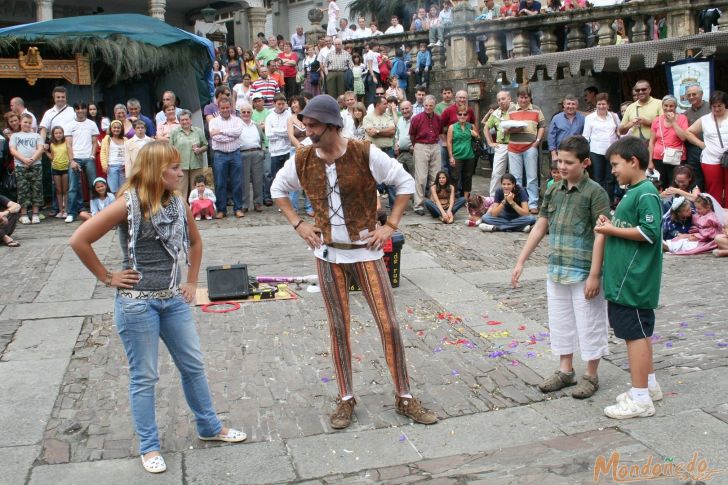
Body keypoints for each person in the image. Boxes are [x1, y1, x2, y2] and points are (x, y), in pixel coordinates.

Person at [69, 142, 247, 474]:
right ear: (156, 170)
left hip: (172, 300)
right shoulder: (128, 204)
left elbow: (195, 242)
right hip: (137, 304)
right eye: (175, 168)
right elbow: (79, 239)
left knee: (193, 365)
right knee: (145, 376)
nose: (182, 173)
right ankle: (149, 446)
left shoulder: (178, 202)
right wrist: (108, 276)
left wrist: (191, 280)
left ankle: (209, 427)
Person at [270, 94, 438, 429]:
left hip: (366, 252)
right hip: (328, 254)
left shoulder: (364, 152)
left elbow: (404, 182)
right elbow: (277, 189)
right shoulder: (302, 157)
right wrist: (299, 224)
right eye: (305, 123)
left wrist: (390, 226)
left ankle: (404, 396)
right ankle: (345, 398)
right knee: (338, 327)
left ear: (332, 125)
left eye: (313, 124)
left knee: (388, 324)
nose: (307, 130)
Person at [512, 135, 611, 399]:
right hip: (557, 268)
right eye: (560, 161)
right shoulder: (554, 189)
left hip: (583, 271)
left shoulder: (595, 193)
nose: (563, 167)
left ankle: (591, 375)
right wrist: (522, 260)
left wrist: (594, 275)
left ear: (586, 162)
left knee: (590, 322)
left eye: (569, 162)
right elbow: (541, 224)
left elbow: (602, 232)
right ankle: (565, 370)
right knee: (561, 321)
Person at [595, 136, 663, 420]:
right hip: (625, 278)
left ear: (633, 162)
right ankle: (648, 386)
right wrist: (611, 224)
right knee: (640, 334)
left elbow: (649, 233)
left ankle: (640, 398)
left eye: (615, 164)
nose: (612, 170)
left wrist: (610, 231)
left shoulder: (645, 192)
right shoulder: (634, 191)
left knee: (634, 335)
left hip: (632, 280)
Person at [686, 90, 728, 207]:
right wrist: (701, 144)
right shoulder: (705, 119)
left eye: (720, 106)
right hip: (711, 159)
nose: (717, 109)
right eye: (714, 106)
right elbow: (688, 132)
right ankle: (716, 215)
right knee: (714, 189)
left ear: (725, 104)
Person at [507, 87, 546, 213]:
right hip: (513, 147)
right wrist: (515, 129)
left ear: (530, 98)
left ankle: (533, 203)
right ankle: (518, 202)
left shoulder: (536, 109)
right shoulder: (511, 110)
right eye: (521, 97)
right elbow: (505, 129)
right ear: (517, 98)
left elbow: (542, 126)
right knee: (516, 178)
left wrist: (537, 141)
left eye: (526, 97)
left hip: (530, 147)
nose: (523, 100)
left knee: (532, 177)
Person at [209, 97, 244, 219]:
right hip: (220, 154)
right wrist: (230, 134)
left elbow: (238, 132)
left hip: (235, 153)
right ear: (218, 108)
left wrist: (221, 131)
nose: (225, 110)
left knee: (237, 182)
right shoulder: (213, 122)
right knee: (220, 183)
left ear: (231, 107)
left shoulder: (237, 120)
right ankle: (221, 210)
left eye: (227, 107)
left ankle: (238, 208)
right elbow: (215, 137)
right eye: (222, 108)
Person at [64, 103, 100, 223]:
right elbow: (68, 144)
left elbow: (94, 141)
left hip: (88, 158)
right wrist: (72, 160)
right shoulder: (69, 125)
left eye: (83, 108)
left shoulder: (92, 124)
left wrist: (92, 155)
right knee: (73, 187)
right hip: (75, 158)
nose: (80, 111)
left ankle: (96, 210)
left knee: (93, 185)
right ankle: (72, 212)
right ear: (75, 110)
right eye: (78, 108)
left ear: (86, 110)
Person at [583, 93, 620, 205]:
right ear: (596, 105)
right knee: (598, 178)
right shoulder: (590, 118)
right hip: (596, 151)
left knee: (610, 178)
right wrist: (587, 153)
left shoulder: (614, 116)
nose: (601, 106)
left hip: (611, 151)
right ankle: (598, 201)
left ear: (608, 105)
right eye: (599, 104)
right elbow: (586, 136)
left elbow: (620, 131)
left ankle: (609, 201)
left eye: (603, 104)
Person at [410, 95, 443, 215]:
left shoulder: (438, 118)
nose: (428, 108)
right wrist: (416, 146)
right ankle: (418, 204)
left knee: (435, 176)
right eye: (426, 105)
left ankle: (433, 202)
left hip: (434, 145)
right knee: (421, 177)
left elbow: (439, 132)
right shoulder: (416, 118)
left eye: (431, 106)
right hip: (421, 145)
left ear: (435, 106)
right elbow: (412, 134)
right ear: (423, 105)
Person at [9, 114, 44, 225]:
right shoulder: (15, 136)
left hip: (36, 165)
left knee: (36, 189)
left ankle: (35, 214)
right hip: (20, 166)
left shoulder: (36, 135)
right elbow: (13, 150)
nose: (27, 124)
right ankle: (23, 214)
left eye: (29, 123)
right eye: (25, 122)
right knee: (23, 190)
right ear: (20, 122)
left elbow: (40, 149)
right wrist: (24, 160)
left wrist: (32, 159)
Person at [648, 95, 689, 190]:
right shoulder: (656, 120)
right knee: (660, 185)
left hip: (676, 157)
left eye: (671, 106)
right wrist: (650, 161)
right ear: (662, 106)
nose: (668, 108)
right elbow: (651, 142)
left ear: (675, 107)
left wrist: (673, 121)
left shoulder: (682, 118)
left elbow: (683, 137)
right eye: (665, 105)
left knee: (675, 184)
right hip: (658, 158)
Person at [170, 110, 207, 199]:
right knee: (181, 190)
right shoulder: (174, 132)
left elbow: (205, 145)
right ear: (179, 121)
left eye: (187, 119)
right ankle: (182, 210)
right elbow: (170, 149)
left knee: (196, 189)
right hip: (181, 166)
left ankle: (195, 210)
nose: (185, 122)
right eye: (182, 120)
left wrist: (199, 150)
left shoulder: (198, 131)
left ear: (190, 120)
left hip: (196, 164)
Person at [484, 91, 514, 197]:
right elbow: (486, 127)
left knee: (515, 174)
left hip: (515, 144)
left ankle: (515, 196)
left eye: (503, 98)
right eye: (499, 100)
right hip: (501, 145)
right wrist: (489, 142)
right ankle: (493, 197)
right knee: (497, 173)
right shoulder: (495, 113)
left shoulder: (516, 109)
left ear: (509, 98)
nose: (501, 101)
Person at [447, 107, 479, 200]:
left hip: (469, 155)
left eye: (464, 114)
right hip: (457, 155)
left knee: (468, 177)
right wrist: (451, 156)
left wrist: (475, 135)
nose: (462, 116)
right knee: (455, 177)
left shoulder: (471, 126)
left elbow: (478, 137)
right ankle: (454, 198)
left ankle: (465, 199)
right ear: (457, 115)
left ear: (467, 115)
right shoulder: (452, 127)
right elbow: (449, 142)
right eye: (460, 114)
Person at [238, 103, 265, 213]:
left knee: (258, 180)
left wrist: (263, 151)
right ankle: (244, 204)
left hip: (256, 153)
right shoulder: (237, 125)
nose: (246, 114)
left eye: (248, 112)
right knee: (244, 181)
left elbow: (263, 139)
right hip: (243, 153)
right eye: (243, 112)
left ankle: (258, 203)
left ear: (251, 113)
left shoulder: (256, 125)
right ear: (240, 113)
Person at [547, 95, 585, 163]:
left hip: (576, 153)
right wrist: (553, 154)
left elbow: (585, 136)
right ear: (564, 105)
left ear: (577, 106)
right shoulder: (556, 118)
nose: (570, 106)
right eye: (568, 104)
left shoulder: (582, 119)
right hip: (559, 153)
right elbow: (551, 136)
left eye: (573, 104)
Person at [48, 126, 70, 218]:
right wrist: (45, 152)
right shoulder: (52, 144)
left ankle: (66, 210)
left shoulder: (66, 143)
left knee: (65, 190)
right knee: (58, 190)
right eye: (56, 133)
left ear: (63, 133)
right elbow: (52, 157)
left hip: (65, 168)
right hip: (55, 168)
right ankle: (60, 210)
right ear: (53, 134)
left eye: (60, 133)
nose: (58, 135)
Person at [100, 120, 126, 194]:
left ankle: (122, 205)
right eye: (114, 127)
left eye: (118, 128)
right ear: (111, 129)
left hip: (123, 167)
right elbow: (103, 153)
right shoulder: (107, 138)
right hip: (112, 166)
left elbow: (128, 153)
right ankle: (115, 204)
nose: (116, 129)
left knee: (123, 190)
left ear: (121, 129)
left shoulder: (125, 139)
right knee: (113, 190)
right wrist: (104, 165)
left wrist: (127, 165)